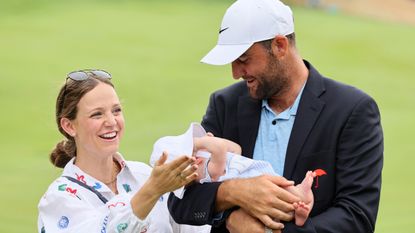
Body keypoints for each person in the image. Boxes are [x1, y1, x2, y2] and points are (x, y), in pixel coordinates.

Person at [167, 0, 384, 232]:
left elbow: (357, 217)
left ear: (280, 46)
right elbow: (180, 201)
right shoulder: (224, 105)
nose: (235, 73)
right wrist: (235, 194)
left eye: (243, 59)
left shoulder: (352, 110)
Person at [37, 70, 209, 233]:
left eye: (116, 110)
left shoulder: (145, 175)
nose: (111, 121)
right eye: (97, 114)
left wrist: (211, 181)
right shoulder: (58, 199)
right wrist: (152, 191)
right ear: (69, 126)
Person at [150, 122, 316, 227]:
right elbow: (222, 149)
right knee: (283, 196)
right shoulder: (208, 172)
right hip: (255, 178)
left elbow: (236, 149)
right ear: (193, 161)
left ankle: (300, 208)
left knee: (284, 195)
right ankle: (300, 206)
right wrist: (204, 143)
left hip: (257, 176)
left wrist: (209, 143)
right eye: (194, 146)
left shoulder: (209, 158)